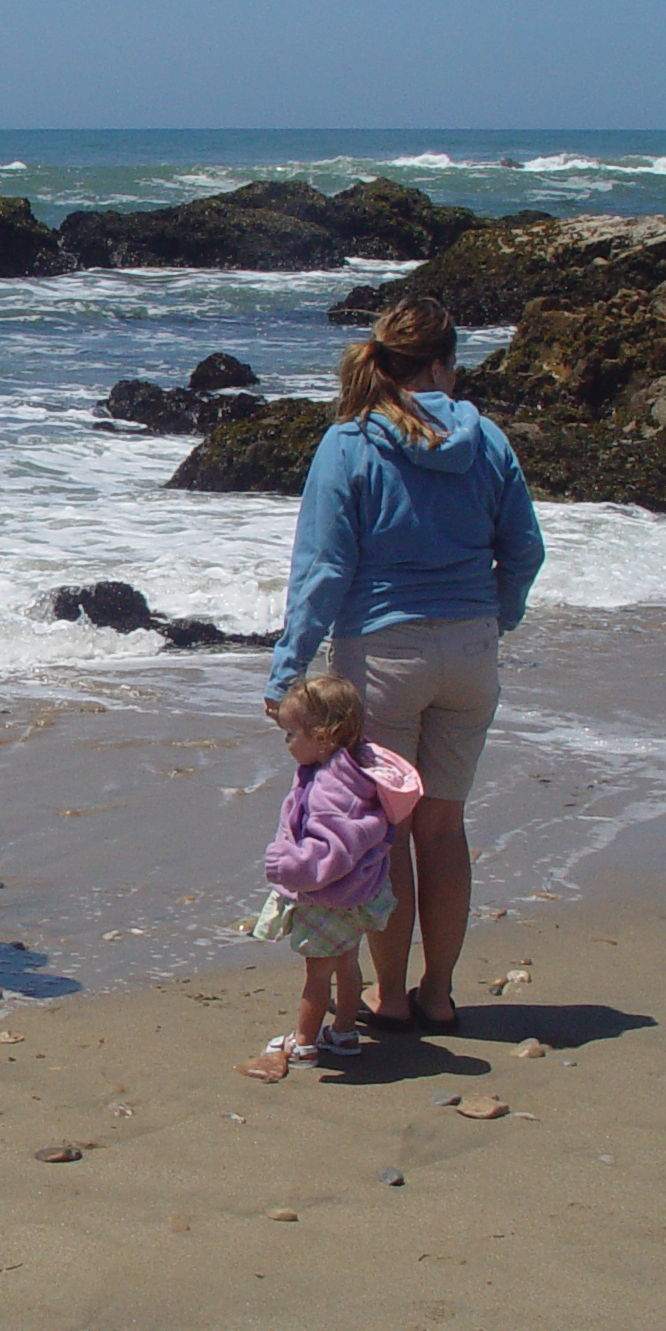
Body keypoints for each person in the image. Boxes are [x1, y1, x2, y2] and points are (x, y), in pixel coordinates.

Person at [264, 295, 544, 1035]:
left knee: (385, 831)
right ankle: (441, 994)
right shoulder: (489, 443)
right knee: (445, 828)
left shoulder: (350, 443)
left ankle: (390, 998)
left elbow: (322, 570)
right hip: (470, 649)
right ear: (447, 363)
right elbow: (525, 552)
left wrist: (287, 668)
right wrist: (496, 618)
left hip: (382, 655)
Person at [240, 674, 421, 1079]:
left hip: (327, 896)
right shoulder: (357, 769)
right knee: (347, 964)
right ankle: (343, 1033)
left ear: (322, 737)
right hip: (356, 895)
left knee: (316, 974)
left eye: (291, 735)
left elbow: (332, 849)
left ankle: (304, 1043)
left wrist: (288, 866)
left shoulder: (329, 789)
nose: (287, 744)